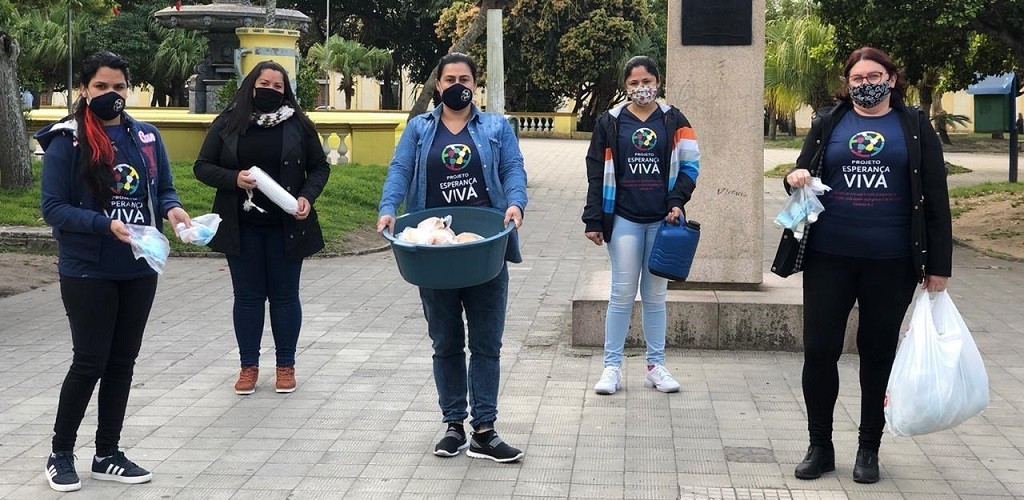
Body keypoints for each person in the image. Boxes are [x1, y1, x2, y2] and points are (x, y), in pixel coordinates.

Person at [784, 47, 952, 484]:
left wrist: (939, 266)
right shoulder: (829, 122)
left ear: (892, 79)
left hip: (891, 262)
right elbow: (802, 172)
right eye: (857, 78)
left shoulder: (914, 127)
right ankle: (820, 445)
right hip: (829, 257)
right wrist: (793, 176)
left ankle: (868, 448)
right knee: (820, 352)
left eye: (874, 75)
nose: (865, 83)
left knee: (877, 355)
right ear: (848, 82)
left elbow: (936, 200)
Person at [36, 51, 192, 492]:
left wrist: (175, 211)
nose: (111, 95)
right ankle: (60, 453)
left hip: (139, 265)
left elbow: (163, 189)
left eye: (119, 87)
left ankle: (108, 453)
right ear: (84, 90)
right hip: (87, 268)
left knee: (122, 361)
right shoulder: (66, 141)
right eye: (101, 87)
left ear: (129, 89)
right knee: (90, 360)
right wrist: (105, 225)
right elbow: (54, 209)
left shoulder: (145, 136)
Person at [376, 52, 527, 463]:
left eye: (465, 77)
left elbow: (514, 168)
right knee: (445, 341)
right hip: (435, 249)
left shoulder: (496, 126)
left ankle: (485, 430)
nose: (457, 84)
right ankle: (453, 425)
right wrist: (388, 207)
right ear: (439, 85)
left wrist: (515, 204)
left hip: (484, 246)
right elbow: (400, 170)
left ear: (474, 84)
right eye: (449, 78)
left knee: (486, 342)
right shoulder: (419, 129)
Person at [194, 61, 330, 395]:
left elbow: (319, 167)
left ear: (287, 91)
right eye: (264, 83)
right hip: (241, 227)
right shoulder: (228, 122)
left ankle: (286, 365)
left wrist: (307, 197)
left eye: (278, 86)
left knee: (285, 298)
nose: (270, 90)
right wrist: (234, 179)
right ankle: (248, 367)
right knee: (248, 298)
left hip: (287, 226)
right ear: (251, 85)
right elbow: (202, 166)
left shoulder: (299, 124)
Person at [582, 56, 700, 396]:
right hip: (623, 220)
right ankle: (611, 367)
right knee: (621, 293)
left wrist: (677, 201)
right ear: (625, 87)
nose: (640, 89)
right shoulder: (611, 122)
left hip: (662, 221)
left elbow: (691, 165)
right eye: (633, 83)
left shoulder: (674, 120)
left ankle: (655, 366)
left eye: (646, 81)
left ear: (658, 82)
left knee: (655, 296)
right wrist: (593, 218)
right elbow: (595, 172)